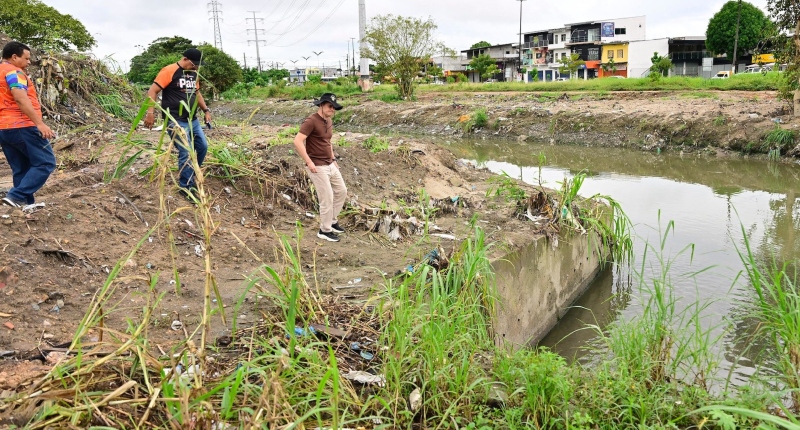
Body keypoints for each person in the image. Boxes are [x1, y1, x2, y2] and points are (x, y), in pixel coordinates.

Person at [143, 48, 212, 199]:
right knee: (186, 151)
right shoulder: (169, 70)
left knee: (202, 146)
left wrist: (206, 110)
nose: (196, 67)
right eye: (194, 64)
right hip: (175, 119)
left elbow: (197, 93)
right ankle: (185, 187)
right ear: (185, 59)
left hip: (192, 120)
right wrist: (150, 113)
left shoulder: (193, 74)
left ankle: (192, 175)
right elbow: (153, 91)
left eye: (198, 65)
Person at [0, 41, 56, 208]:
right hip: (22, 125)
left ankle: (23, 205)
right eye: (26, 58)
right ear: (14, 57)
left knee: (21, 168)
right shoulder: (14, 72)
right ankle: (16, 196)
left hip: (4, 128)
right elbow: (20, 98)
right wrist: (39, 123)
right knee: (46, 162)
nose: (29, 62)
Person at [293, 93, 348, 242]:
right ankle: (324, 230)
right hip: (317, 166)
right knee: (327, 198)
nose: (332, 109)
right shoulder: (311, 121)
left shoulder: (328, 121)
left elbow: (327, 141)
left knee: (342, 191)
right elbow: (297, 141)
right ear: (321, 105)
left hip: (330, 163)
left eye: (334, 107)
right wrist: (309, 162)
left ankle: (332, 221)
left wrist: (333, 158)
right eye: (330, 106)